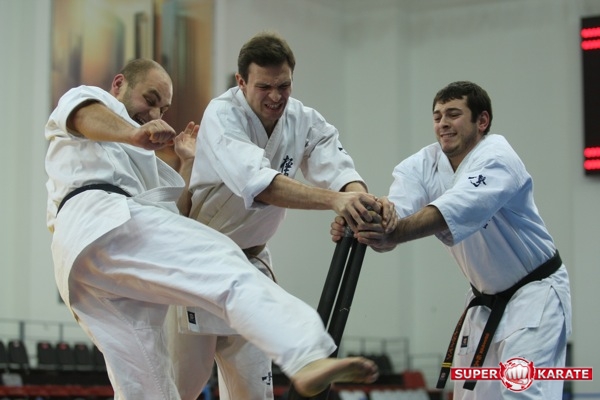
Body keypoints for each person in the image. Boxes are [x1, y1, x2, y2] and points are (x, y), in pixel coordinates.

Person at [45, 58, 379, 399]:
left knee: (149, 388)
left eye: (163, 108)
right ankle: (305, 354)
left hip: (92, 267)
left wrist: (187, 162)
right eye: (150, 99)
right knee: (223, 259)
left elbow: (172, 218)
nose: (155, 113)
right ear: (119, 84)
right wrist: (134, 133)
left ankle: (304, 356)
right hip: (102, 217)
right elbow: (84, 117)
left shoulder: (144, 161)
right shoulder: (92, 100)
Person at [169, 31, 394, 400]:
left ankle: (308, 362)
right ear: (241, 82)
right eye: (264, 87)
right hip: (198, 264)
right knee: (176, 390)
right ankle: (308, 361)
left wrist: (359, 200)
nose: (276, 96)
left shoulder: (303, 119)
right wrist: (335, 202)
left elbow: (337, 169)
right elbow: (260, 185)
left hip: (251, 263)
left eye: (284, 85)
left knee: (253, 392)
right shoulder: (222, 115)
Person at [332, 81, 572, 399]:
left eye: (454, 114)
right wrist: (363, 219)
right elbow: (396, 214)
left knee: (523, 394)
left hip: (536, 295)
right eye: (437, 116)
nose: (443, 123)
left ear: (482, 121)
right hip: (482, 302)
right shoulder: (423, 164)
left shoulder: (498, 157)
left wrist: (393, 232)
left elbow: (454, 209)